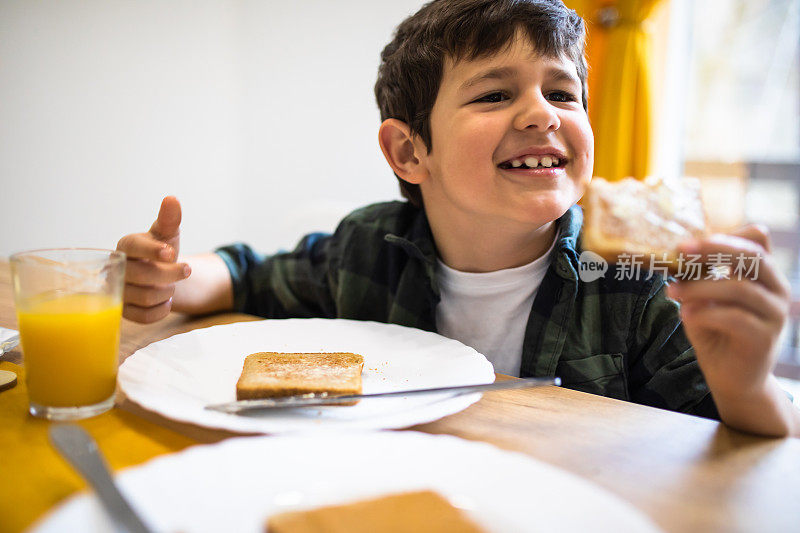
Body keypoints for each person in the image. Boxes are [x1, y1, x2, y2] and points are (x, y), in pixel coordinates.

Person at [116, 0, 799, 438]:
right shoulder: (368, 248)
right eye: (497, 92)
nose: (542, 113)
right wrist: (171, 280)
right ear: (410, 151)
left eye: (563, 92)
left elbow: (740, 451)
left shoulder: (636, 282)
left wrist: (748, 387)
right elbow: (249, 276)